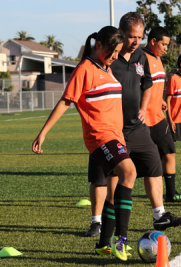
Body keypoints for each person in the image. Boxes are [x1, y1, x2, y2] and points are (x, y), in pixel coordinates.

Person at [32, 26, 133, 261]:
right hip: (100, 137)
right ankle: (122, 240)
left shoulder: (106, 68)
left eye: (118, 52)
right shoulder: (85, 69)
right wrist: (43, 133)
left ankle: (103, 243)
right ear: (99, 46)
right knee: (130, 171)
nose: (115, 56)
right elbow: (65, 102)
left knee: (114, 191)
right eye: (112, 51)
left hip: (116, 137)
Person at [85, 12, 181, 241]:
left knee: (153, 164)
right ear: (120, 34)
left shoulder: (141, 56)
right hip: (110, 131)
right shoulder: (107, 58)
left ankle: (159, 214)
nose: (136, 41)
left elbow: (148, 84)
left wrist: (143, 107)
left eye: (140, 37)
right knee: (103, 179)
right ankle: (97, 222)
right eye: (132, 37)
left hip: (136, 128)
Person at [143, 27, 181, 202]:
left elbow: (154, 86)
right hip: (143, 120)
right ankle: (116, 197)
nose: (166, 48)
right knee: (135, 163)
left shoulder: (158, 59)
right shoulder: (142, 59)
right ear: (153, 42)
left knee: (170, 151)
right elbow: (137, 86)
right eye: (163, 44)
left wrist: (161, 101)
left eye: (167, 45)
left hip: (158, 117)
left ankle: (171, 193)